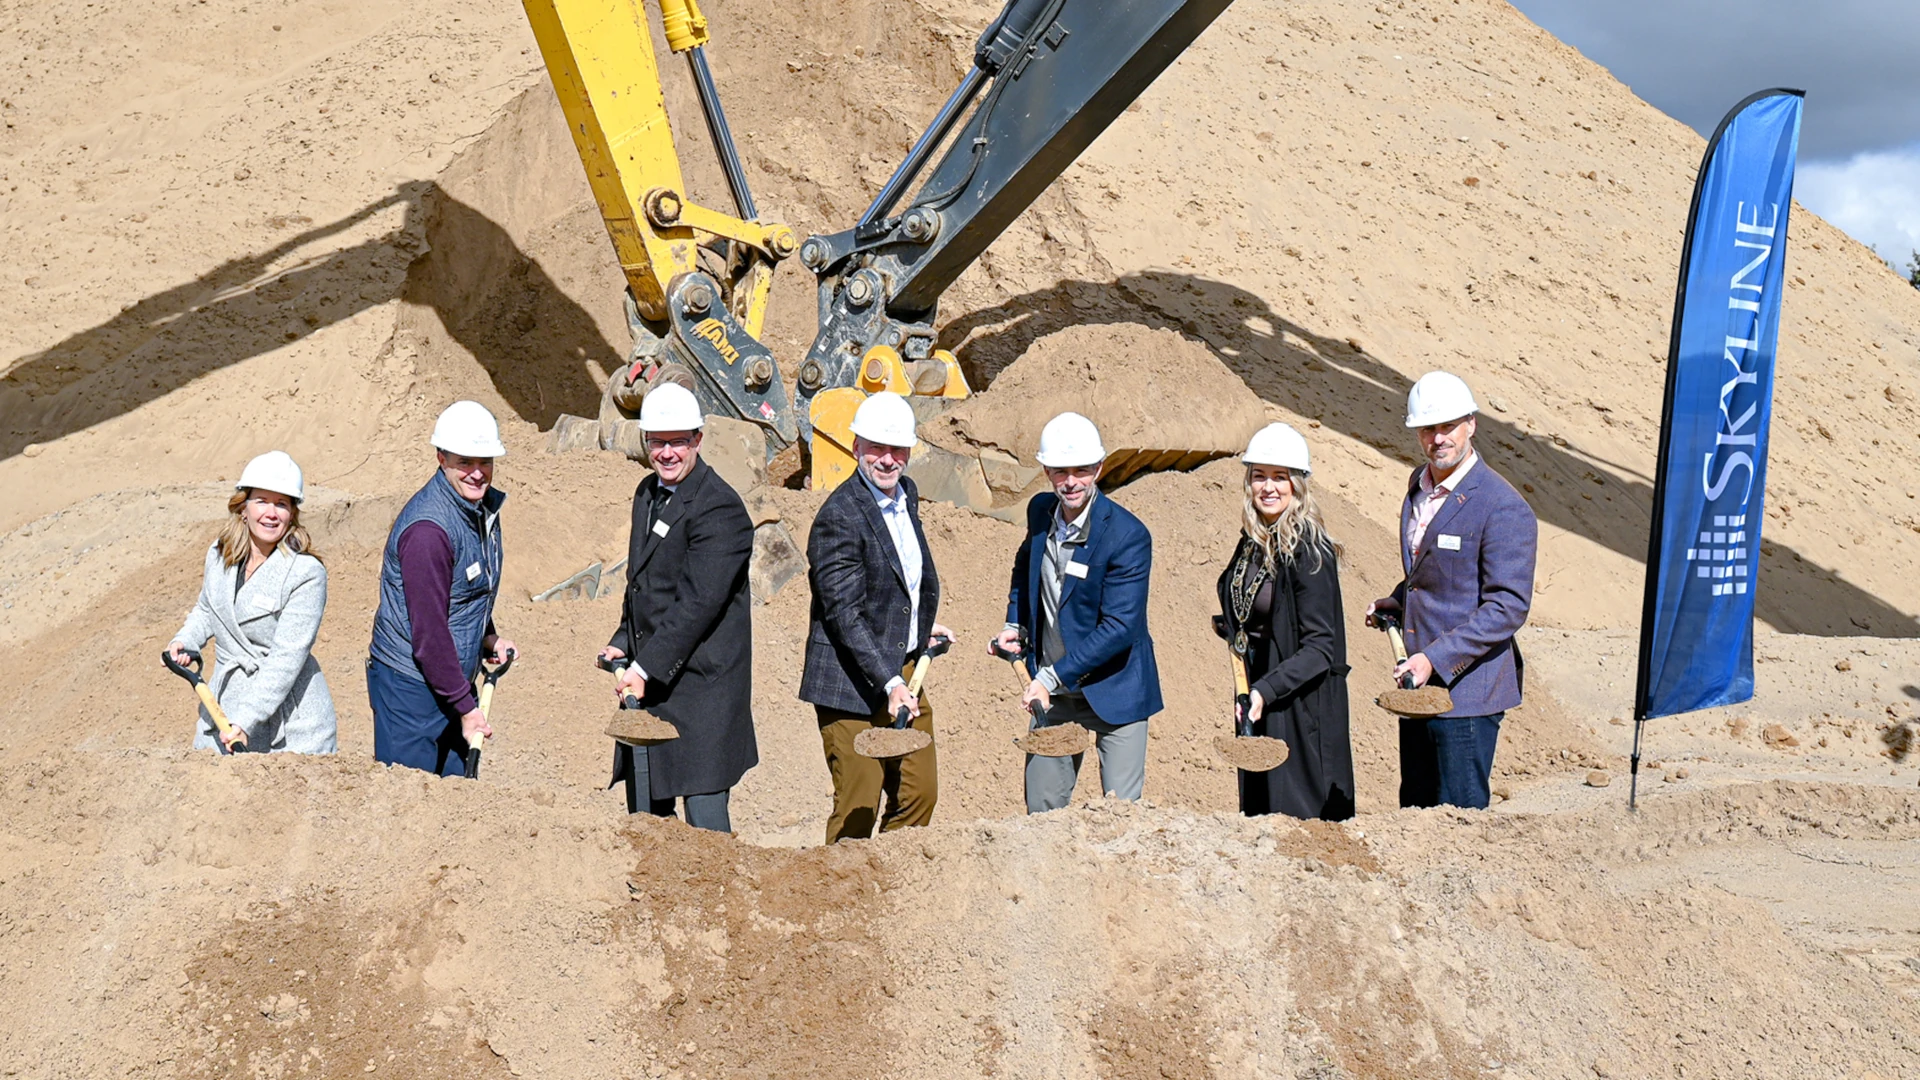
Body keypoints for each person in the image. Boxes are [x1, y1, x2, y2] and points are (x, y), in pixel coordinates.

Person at [1367, 372, 1538, 810]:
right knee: (1417, 811)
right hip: (1418, 686)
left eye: (1448, 426)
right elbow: (1434, 572)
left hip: (1467, 695)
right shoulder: (1418, 488)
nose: (1438, 438)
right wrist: (1399, 599)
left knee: (1458, 820)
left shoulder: (1502, 506)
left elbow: (1507, 607)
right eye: (1428, 428)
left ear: (1471, 425)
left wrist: (1434, 659)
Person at [597, 384, 758, 832]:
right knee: (649, 817)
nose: (666, 453)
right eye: (657, 441)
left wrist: (644, 668)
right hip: (652, 682)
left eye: (678, 441)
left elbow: (698, 603)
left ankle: (719, 901)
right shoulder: (647, 494)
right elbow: (643, 584)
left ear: (698, 440)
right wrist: (620, 641)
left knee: (705, 826)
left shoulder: (721, 509)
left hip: (703, 689)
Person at [799, 392, 953, 843]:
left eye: (897, 450)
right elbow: (844, 613)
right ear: (855, 448)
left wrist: (921, 628)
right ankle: (843, 892)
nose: (888, 460)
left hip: (902, 668)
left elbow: (904, 576)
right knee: (858, 806)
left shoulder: (907, 495)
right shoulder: (838, 518)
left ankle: (885, 878)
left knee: (920, 793)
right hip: (850, 682)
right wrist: (891, 683)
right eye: (877, 449)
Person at [994, 412, 1162, 813]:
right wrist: (1014, 622)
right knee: (1043, 813)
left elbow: (1120, 627)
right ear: (1047, 471)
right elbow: (1025, 565)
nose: (1070, 482)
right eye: (1059, 471)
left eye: (1081, 471)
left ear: (1099, 468)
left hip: (1115, 688)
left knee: (1120, 817)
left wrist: (1049, 677)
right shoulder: (1040, 512)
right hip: (1057, 695)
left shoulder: (1128, 536)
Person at [367, 401, 518, 777]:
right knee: (408, 807)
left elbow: (467, 592)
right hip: (410, 690)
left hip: (449, 683)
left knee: (453, 808)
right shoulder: (428, 532)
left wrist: (488, 638)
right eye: (465, 462)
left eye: (485, 461)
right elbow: (430, 634)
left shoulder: (478, 510)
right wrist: (467, 709)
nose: (477, 473)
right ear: (441, 457)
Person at [1213, 424, 1353, 819]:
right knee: (1258, 819)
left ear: (1298, 485)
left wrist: (1265, 691)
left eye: (1280, 477)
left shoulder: (1309, 550)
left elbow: (1320, 648)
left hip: (1299, 708)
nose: (1268, 487)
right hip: (1259, 696)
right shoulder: (1254, 540)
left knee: (1296, 824)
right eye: (1259, 476)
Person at [168, 451, 337, 753]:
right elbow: (209, 609)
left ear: (292, 514)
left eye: (282, 504)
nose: (271, 513)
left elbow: (286, 659)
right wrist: (186, 640)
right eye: (262, 501)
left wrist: (245, 720)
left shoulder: (306, 573)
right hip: (223, 710)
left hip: (291, 727)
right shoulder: (220, 554)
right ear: (243, 507)